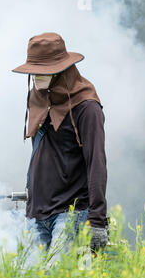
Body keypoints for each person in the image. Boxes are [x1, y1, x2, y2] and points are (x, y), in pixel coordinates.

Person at [12, 32, 108, 252]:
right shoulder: (38, 94)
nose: (36, 77)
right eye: (33, 71)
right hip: (35, 213)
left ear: (61, 70)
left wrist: (97, 221)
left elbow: (97, 164)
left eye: (42, 71)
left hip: (70, 212)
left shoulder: (87, 107)